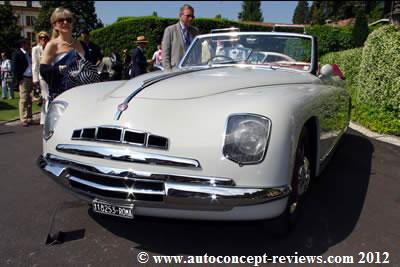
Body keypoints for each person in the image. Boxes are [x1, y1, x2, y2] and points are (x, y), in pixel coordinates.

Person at [40, 7, 99, 98]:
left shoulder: (82, 44)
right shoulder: (52, 45)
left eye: (69, 20)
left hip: (85, 93)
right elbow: (43, 69)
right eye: (61, 20)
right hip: (63, 94)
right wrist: (60, 69)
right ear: (55, 25)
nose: (65, 22)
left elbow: (90, 66)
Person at [162, 4, 198, 70]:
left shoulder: (195, 31)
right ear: (180, 15)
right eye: (188, 16)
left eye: (192, 16)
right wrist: (168, 73)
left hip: (192, 71)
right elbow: (165, 55)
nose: (191, 18)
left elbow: (198, 53)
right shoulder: (170, 30)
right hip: (176, 71)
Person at [11, 39, 33, 126]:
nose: (28, 45)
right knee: (23, 99)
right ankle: (23, 118)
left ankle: (29, 117)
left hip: (30, 77)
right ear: (23, 44)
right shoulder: (17, 53)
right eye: (27, 43)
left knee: (29, 99)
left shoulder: (28, 53)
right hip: (23, 78)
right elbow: (14, 67)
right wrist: (18, 79)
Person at [32, 31, 50, 124]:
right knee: (45, 98)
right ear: (38, 39)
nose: (43, 39)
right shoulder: (35, 49)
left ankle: (47, 118)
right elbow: (35, 65)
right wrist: (35, 80)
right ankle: (44, 119)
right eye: (41, 38)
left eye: (45, 37)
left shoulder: (51, 48)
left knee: (50, 97)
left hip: (51, 76)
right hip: (42, 77)